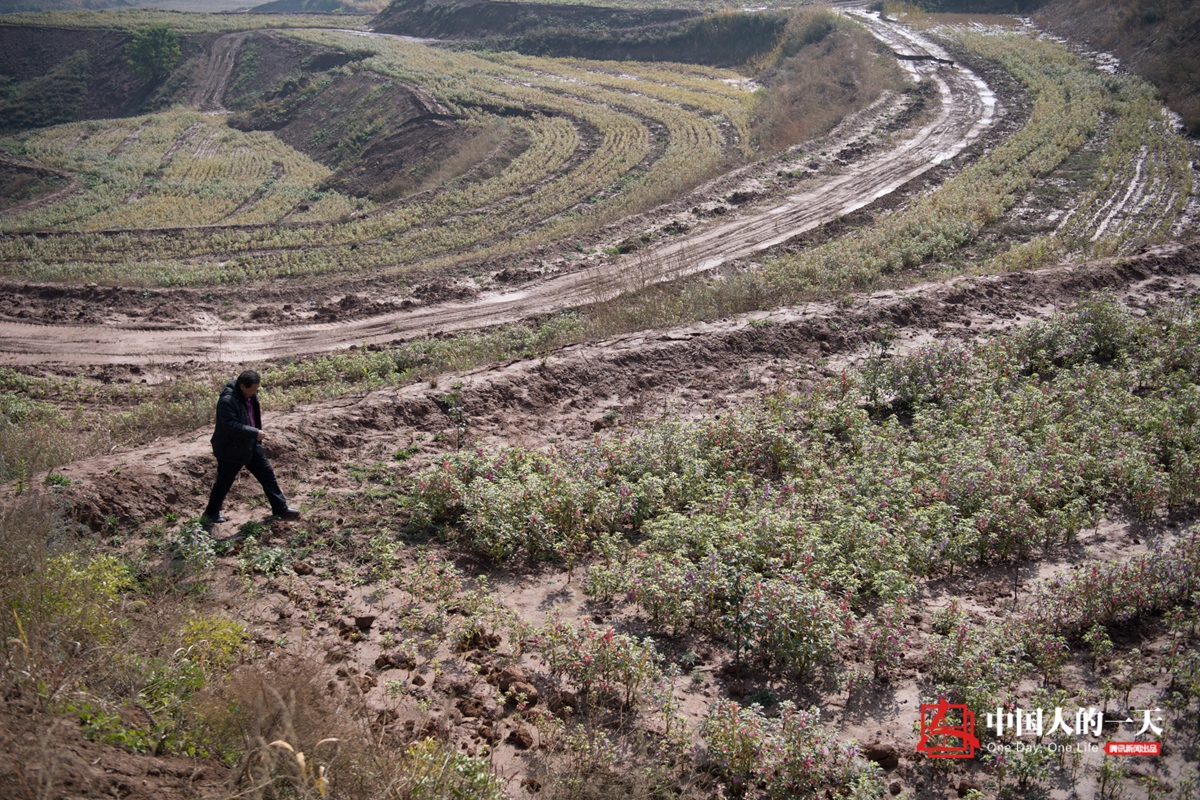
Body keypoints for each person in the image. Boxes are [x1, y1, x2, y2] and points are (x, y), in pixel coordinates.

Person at [202, 370, 300, 524]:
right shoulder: (227, 401)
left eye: (256, 389)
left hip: (250, 445)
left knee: (268, 476)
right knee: (224, 482)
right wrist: (254, 432)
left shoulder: (250, 396)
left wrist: (254, 437)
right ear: (242, 386)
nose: (255, 392)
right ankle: (211, 512)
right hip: (230, 449)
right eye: (253, 389)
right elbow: (230, 426)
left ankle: (280, 508)